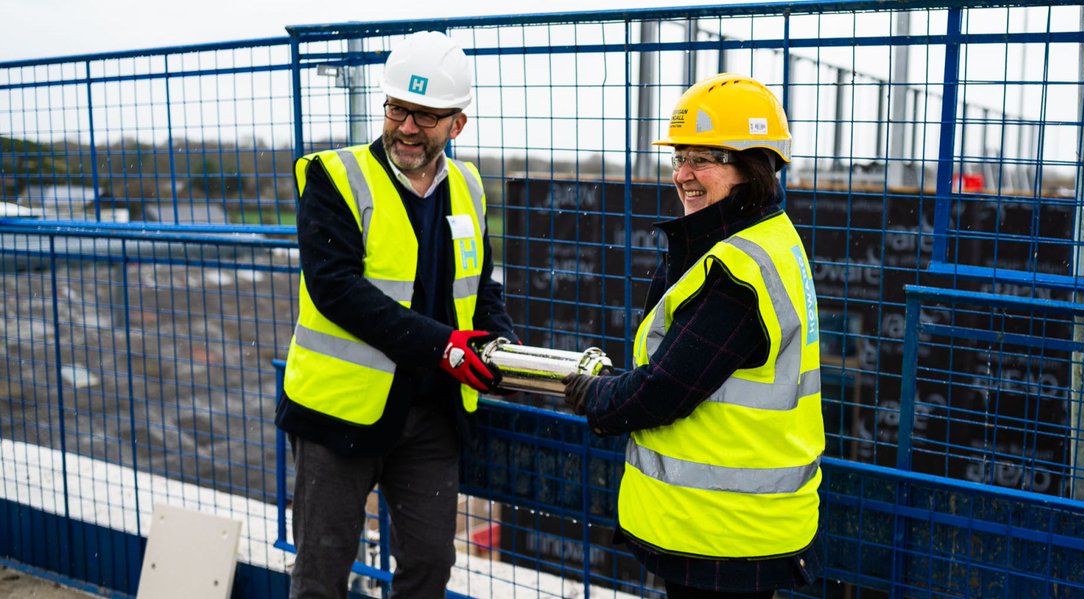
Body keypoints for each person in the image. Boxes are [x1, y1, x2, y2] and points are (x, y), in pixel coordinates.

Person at [563, 73, 824, 599]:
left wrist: (597, 396)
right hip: (729, 528)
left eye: (703, 159)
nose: (683, 174)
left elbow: (665, 389)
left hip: (724, 533)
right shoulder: (753, 239)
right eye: (679, 158)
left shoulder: (739, 270)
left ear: (752, 167)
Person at [275, 30, 516, 599]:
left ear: (456, 125)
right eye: (397, 109)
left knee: (429, 564)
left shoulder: (471, 187)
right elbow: (337, 290)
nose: (406, 127)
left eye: (425, 116)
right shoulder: (334, 178)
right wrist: (444, 346)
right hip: (338, 413)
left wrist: (499, 344)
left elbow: (480, 286)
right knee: (320, 571)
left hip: (432, 416)